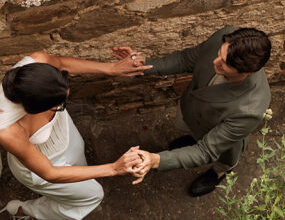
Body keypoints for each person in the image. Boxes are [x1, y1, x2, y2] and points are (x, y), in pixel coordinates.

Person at [0, 50, 149, 220]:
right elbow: (50, 173)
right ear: (34, 108)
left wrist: (112, 68)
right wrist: (113, 169)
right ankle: (23, 210)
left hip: (65, 138)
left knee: (80, 162)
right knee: (93, 195)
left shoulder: (38, 62)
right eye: (57, 104)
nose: (63, 102)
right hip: (42, 166)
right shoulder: (9, 132)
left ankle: (64, 190)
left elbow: (62, 63)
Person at [114, 26, 272, 196]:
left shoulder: (250, 109)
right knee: (193, 133)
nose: (215, 62)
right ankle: (193, 137)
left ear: (247, 72)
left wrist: (155, 160)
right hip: (195, 111)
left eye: (224, 63)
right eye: (219, 53)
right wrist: (141, 66)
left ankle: (219, 173)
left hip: (219, 138)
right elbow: (185, 59)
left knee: (224, 158)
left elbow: (206, 150)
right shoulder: (225, 40)